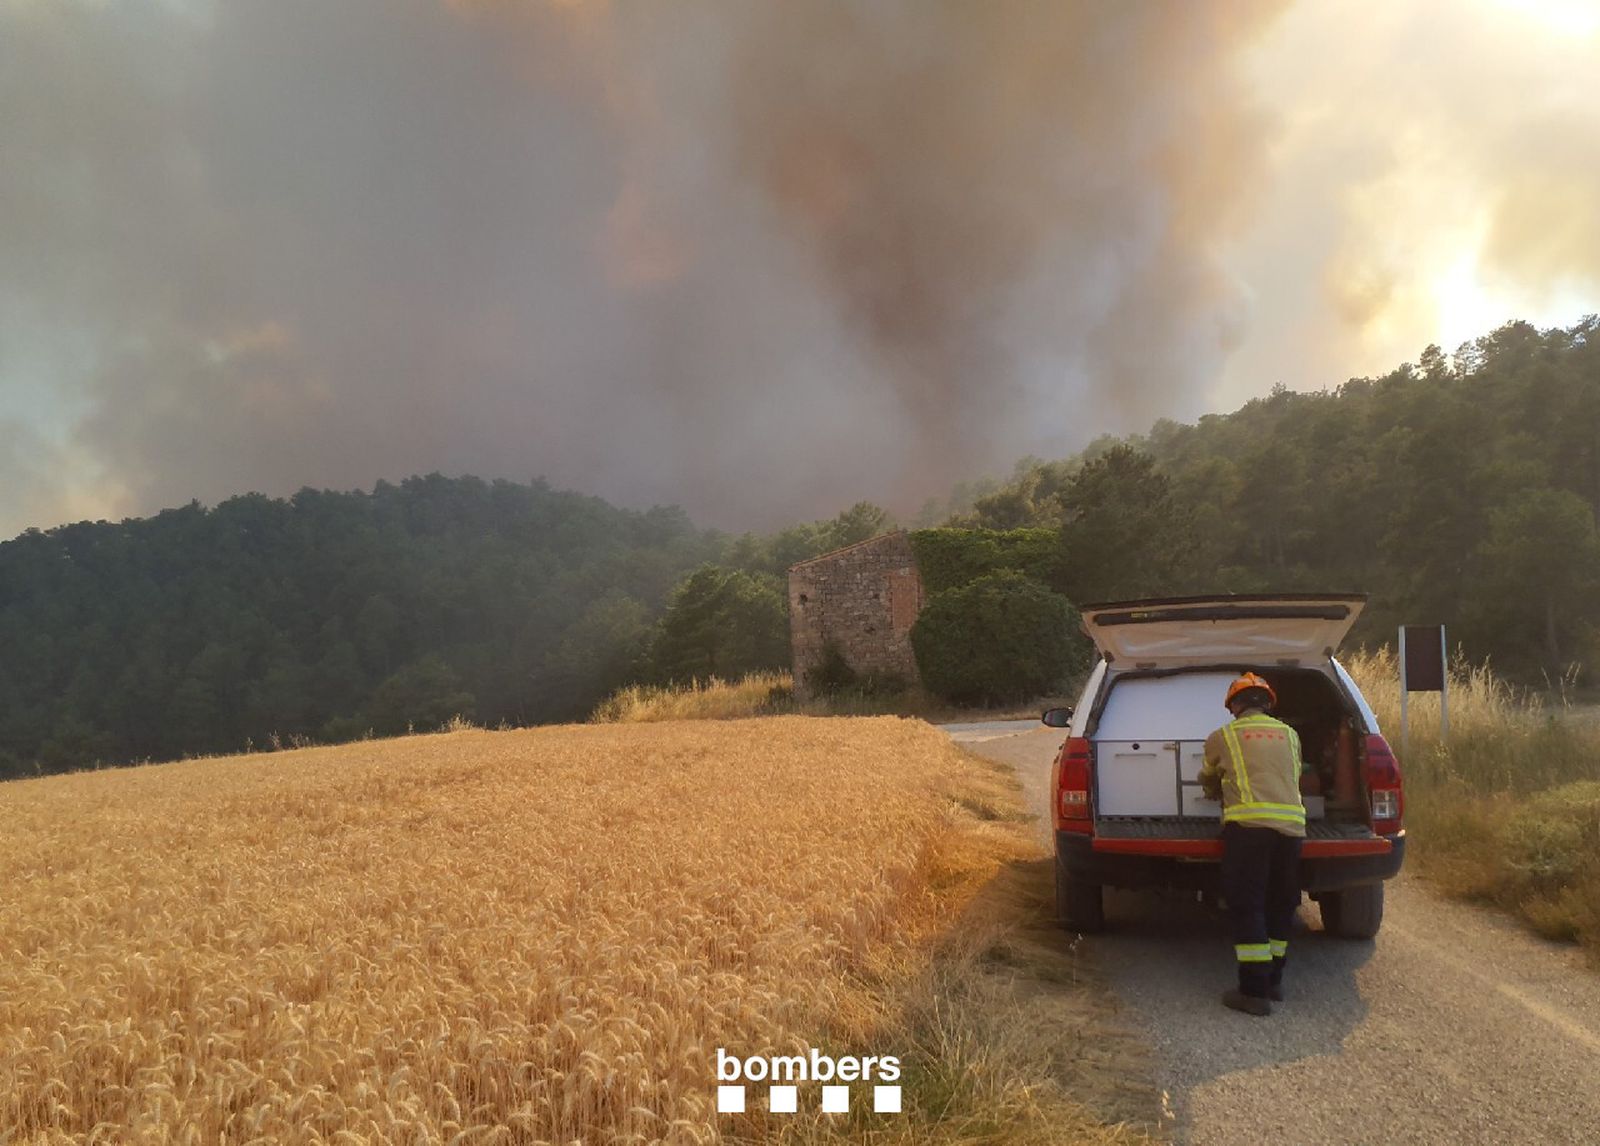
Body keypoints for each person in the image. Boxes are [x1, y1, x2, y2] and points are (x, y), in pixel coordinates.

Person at [1198, 672, 1308, 1016]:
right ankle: (1274, 982)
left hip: (1248, 830)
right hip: (1291, 830)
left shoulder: (1223, 736)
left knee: (1248, 905)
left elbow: (1208, 778)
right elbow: (1294, 774)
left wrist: (1215, 792)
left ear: (1235, 705)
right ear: (1268, 703)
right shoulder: (1290, 735)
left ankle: (1252, 992)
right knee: (1280, 904)